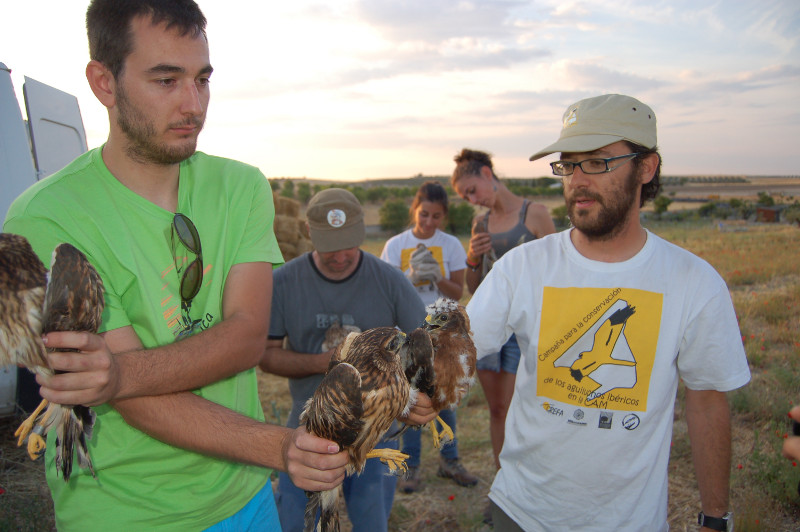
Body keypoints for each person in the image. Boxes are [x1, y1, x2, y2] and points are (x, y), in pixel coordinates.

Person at [2, 1, 350, 529]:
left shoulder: (240, 187)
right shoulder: (46, 217)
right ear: (104, 82)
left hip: (245, 497)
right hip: (123, 513)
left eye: (202, 79)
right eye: (166, 80)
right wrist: (280, 447)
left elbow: (247, 338)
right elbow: (122, 396)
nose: (194, 105)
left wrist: (119, 374)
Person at [466, 94, 751, 531]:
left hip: (628, 521)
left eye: (597, 162)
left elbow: (708, 402)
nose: (577, 180)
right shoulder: (523, 267)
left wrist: (715, 518)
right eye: (568, 163)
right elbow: (457, 352)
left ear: (647, 167)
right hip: (520, 511)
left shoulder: (695, 282)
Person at [260, 187, 435, 532]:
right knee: (295, 523)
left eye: (349, 244)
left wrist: (426, 396)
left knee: (371, 522)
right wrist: (325, 363)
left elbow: (426, 349)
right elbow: (266, 357)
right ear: (308, 234)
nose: (340, 256)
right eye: (328, 247)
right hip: (309, 430)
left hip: (377, 434)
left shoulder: (390, 281)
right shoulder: (283, 282)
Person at [450, 148, 556, 474]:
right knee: (498, 410)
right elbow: (475, 285)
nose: (472, 200)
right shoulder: (479, 223)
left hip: (527, 330)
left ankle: (529, 481)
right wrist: (471, 257)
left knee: (522, 409)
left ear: (486, 174)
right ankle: (502, 485)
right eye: (465, 197)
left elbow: (557, 273)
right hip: (492, 327)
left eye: (471, 190)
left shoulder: (534, 214)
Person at [379, 181, 478, 492]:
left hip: (442, 327)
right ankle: (411, 467)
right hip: (409, 328)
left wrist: (437, 276)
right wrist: (408, 278)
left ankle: (450, 460)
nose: (429, 222)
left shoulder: (450, 245)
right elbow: (387, 293)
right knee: (412, 398)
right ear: (415, 210)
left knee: (445, 396)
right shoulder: (396, 244)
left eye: (436, 217)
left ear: (444, 216)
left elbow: (457, 290)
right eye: (424, 215)